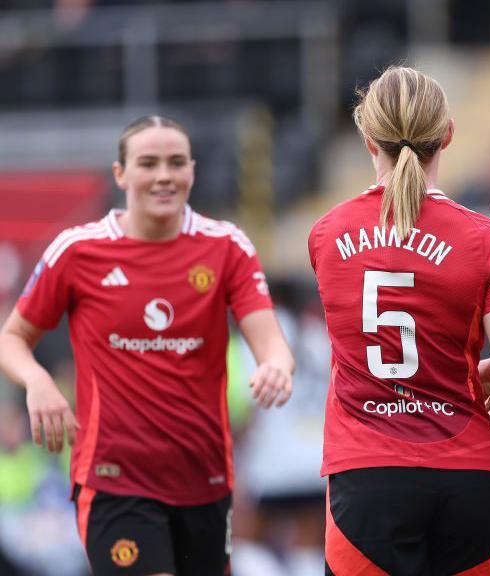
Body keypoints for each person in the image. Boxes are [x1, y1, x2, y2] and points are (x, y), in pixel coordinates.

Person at [0, 115, 295, 576]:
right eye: (148, 163)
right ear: (121, 174)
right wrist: (37, 379)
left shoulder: (227, 246)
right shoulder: (77, 251)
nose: (163, 175)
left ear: (192, 172)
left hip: (206, 480)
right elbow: (13, 338)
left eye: (176, 162)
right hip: (114, 481)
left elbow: (272, 342)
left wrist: (275, 366)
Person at [308, 66, 490, 576]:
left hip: (368, 470)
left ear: (366, 136)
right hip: (465, 473)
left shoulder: (327, 233)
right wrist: (479, 375)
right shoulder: (484, 238)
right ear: (448, 134)